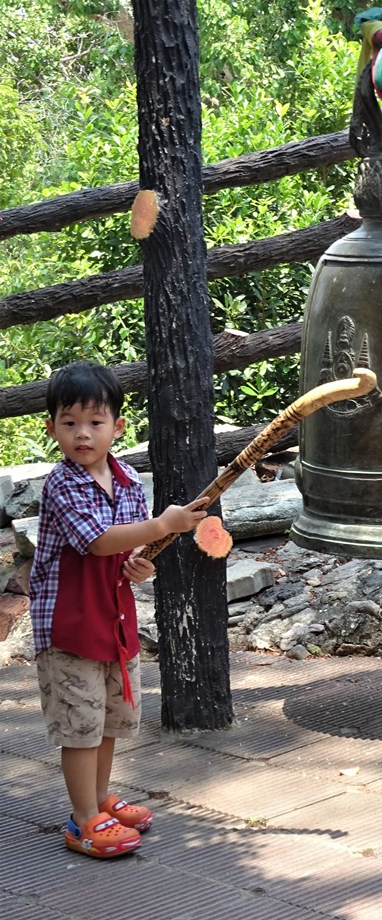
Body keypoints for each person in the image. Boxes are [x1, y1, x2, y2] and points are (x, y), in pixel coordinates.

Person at [29, 361, 208, 858]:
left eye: (95, 422)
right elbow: (100, 541)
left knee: (109, 718)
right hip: (70, 626)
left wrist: (141, 565)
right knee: (80, 724)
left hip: (113, 619)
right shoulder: (62, 484)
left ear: (118, 428)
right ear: (52, 429)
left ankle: (101, 798)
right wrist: (159, 527)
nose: (82, 434)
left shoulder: (128, 480)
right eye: (69, 423)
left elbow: (128, 555)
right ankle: (83, 817)